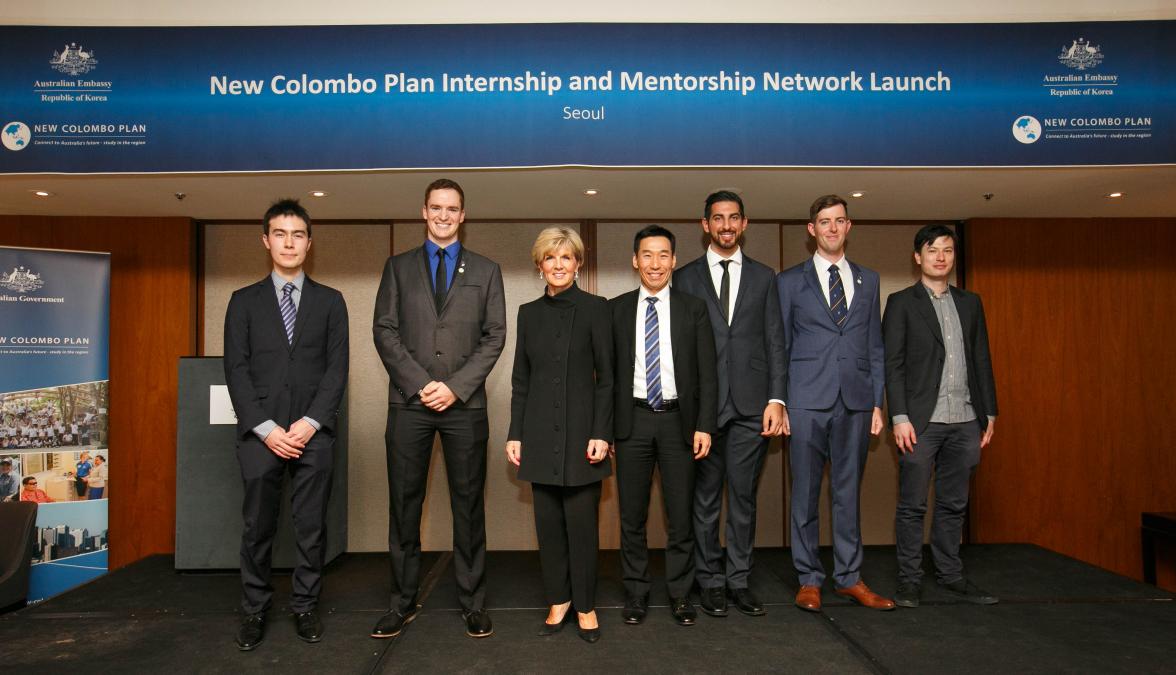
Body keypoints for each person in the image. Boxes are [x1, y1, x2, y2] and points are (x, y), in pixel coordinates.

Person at [372, 178, 506, 640]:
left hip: (465, 406)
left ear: (463, 215)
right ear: (424, 212)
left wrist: (454, 387)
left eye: (452, 209)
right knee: (404, 506)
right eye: (436, 208)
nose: (444, 216)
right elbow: (384, 330)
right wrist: (422, 384)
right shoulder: (397, 267)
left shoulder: (487, 271)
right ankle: (401, 603)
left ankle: (473, 603)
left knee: (468, 508)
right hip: (409, 404)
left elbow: (495, 337)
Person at [224, 198, 350, 650]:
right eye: (280, 233)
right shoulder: (242, 302)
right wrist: (268, 429)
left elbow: (338, 370)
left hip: (313, 434)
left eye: (298, 234)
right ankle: (255, 609)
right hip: (262, 435)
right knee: (257, 527)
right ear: (266, 240)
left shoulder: (332, 302)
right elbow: (235, 371)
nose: (289, 242)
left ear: (309, 243)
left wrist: (310, 423)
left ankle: (304, 605)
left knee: (311, 526)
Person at [776, 195, 894, 612]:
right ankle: (809, 578)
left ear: (849, 226)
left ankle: (849, 577)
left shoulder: (870, 280)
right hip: (806, 400)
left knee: (848, 493)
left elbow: (874, 346)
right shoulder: (789, 282)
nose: (831, 228)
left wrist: (877, 402)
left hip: (857, 401)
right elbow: (782, 346)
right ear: (812, 230)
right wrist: (782, 401)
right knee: (805, 493)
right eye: (824, 222)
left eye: (839, 221)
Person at [674, 191, 787, 618]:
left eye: (733, 218)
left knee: (743, 499)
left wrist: (777, 399)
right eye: (718, 218)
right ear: (705, 224)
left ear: (744, 223)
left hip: (752, 408)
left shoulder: (765, 277)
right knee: (704, 500)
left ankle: (739, 579)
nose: (726, 225)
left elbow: (776, 341)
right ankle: (710, 581)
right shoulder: (684, 278)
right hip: (703, 411)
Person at [882, 224, 999, 608]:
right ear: (918, 257)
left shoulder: (971, 302)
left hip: (966, 419)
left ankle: (950, 575)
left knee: (954, 504)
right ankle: (909, 580)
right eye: (932, 250)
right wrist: (898, 416)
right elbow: (893, 364)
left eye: (947, 250)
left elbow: (981, 359)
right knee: (912, 505)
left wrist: (990, 412)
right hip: (920, 421)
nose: (940, 257)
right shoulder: (901, 303)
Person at [506, 227, 613, 643]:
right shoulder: (527, 313)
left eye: (566, 258)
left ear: (578, 264)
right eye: (550, 258)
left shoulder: (596, 308)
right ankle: (559, 600)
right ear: (540, 265)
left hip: (585, 436)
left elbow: (607, 378)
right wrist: (515, 433)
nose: (558, 265)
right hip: (537, 433)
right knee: (548, 525)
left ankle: (585, 606)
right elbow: (521, 379)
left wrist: (602, 432)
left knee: (582, 526)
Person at [610, 225, 717, 627]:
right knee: (631, 517)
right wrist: (608, 430)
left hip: (680, 425)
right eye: (647, 255)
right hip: (632, 423)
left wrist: (705, 425)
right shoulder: (616, 309)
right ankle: (636, 593)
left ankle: (679, 594)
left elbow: (708, 373)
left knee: (681, 517)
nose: (655, 264)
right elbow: (607, 379)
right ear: (635, 260)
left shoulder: (693, 308)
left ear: (673, 261)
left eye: (663, 255)